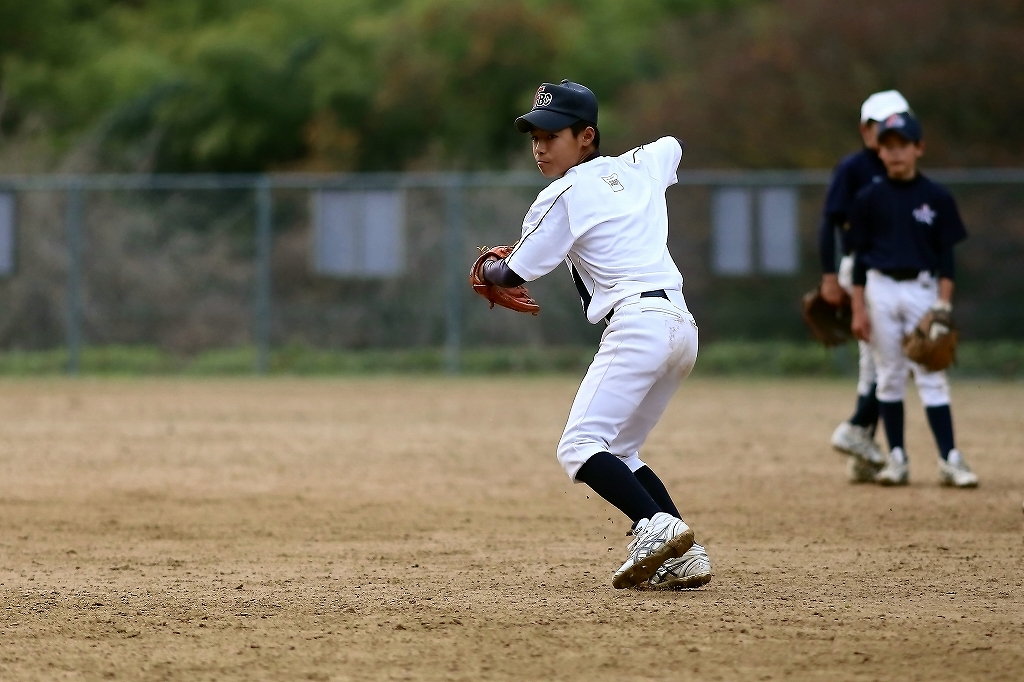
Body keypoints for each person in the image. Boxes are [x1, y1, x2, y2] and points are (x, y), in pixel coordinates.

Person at [476, 80, 711, 589]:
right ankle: (684, 553)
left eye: (553, 134)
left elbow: (515, 271)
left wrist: (490, 273)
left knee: (580, 445)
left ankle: (658, 526)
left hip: (637, 325)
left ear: (586, 136)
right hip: (681, 327)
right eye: (534, 135)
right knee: (621, 452)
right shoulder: (639, 166)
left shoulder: (561, 193)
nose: (540, 145)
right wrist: (630, 169)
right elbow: (674, 145)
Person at [847, 111, 978, 488]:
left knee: (931, 375)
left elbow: (947, 258)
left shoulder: (935, 197)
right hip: (880, 289)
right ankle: (897, 458)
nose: (895, 152)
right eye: (887, 146)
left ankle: (950, 459)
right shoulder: (868, 197)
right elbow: (858, 260)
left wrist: (943, 304)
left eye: (902, 145)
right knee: (889, 376)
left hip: (923, 289)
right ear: (880, 151)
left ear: (918, 148)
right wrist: (858, 308)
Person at [819, 90, 911, 482]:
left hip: (892, 271)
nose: (890, 129)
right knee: (889, 362)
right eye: (881, 123)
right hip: (863, 271)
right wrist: (829, 275)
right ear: (865, 129)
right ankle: (857, 428)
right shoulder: (855, 167)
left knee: (876, 365)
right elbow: (829, 223)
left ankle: (863, 452)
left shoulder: (901, 169)